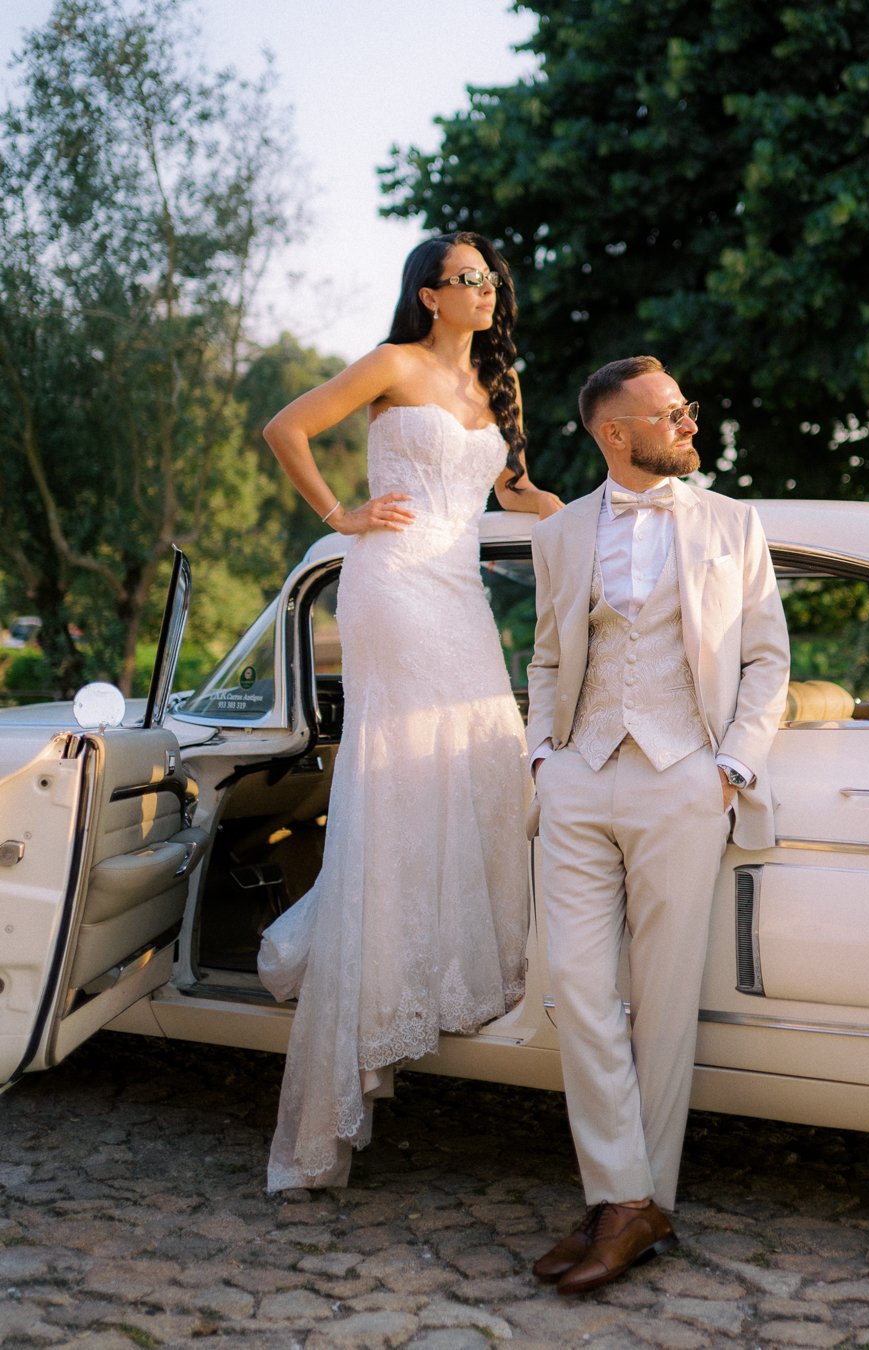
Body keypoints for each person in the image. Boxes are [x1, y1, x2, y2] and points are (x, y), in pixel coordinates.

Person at [257, 231, 563, 1193]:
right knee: (397, 773)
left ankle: (445, 973)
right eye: (467, 279)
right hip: (391, 581)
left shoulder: (499, 385)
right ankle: (373, 1000)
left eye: (490, 278)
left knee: (484, 755)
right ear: (430, 295)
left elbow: (510, 487)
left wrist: (567, 512)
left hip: (459, 591)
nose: (485, 289)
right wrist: (340, 516)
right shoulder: (392, 364)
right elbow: (285, 429)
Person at [526, 355, 789, 1294]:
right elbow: (547, 658)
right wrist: (543, 758)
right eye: (670, 413)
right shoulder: (559, 533)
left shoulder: (732, 524)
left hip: (684, 777)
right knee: (576, 987)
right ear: (615, 433)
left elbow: (767, 660)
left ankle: (630, 1205)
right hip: (580, 776)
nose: (689, 423)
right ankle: (627, 1200)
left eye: (686, 408)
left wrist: (730, 768)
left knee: (668, 1001)